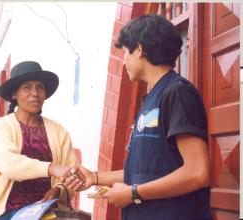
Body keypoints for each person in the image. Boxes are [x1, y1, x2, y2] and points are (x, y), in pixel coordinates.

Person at [64, 14, 213, 220]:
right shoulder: (152, 99)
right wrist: (96, 177)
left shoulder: (177, 93)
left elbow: (197, 172)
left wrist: (132, 193)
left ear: (140, 50)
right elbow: (144, 171)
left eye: (125, 51)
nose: (124, 60)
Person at [0, 61, 83, 220]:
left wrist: (59, 190)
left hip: (44, 214)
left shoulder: (59, 132)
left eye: (39, 87)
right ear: (14, 94)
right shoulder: (2, 126)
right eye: (27, 87)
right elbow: (9, 164)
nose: (35, 93)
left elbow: (72, 175)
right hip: (4, 214)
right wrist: (51, 168)